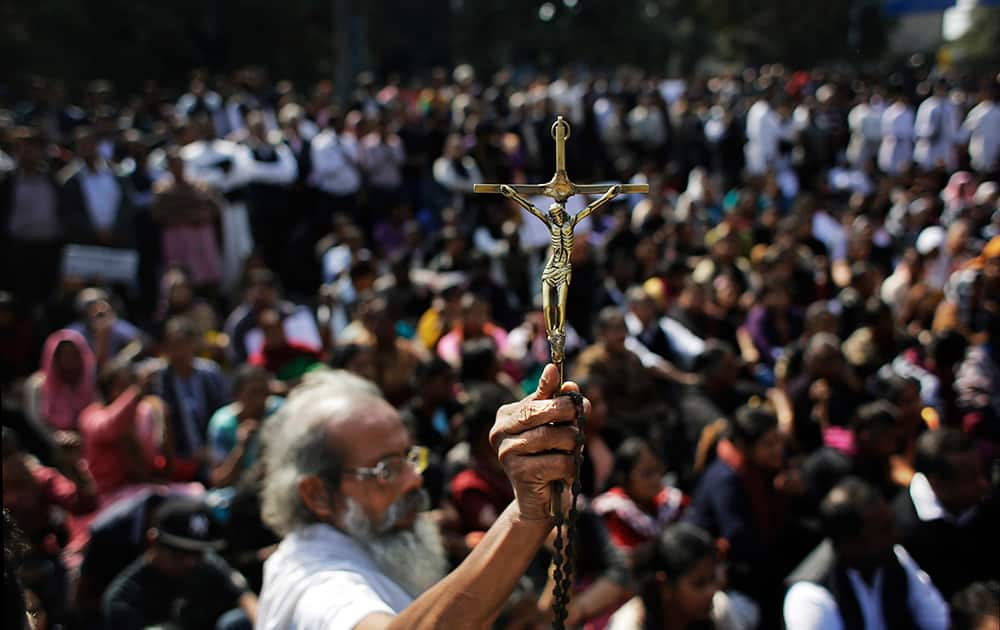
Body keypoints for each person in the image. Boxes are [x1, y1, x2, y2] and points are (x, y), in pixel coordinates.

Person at [256, 364, 588, 629]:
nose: (414, 479)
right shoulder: (316, 587)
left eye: (408, 457)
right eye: (386, 469)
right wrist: (527, 513)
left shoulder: (371, 541)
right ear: (317, 495)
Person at [783, 478, 949, 630]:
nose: (896, 536)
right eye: (883, 530)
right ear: (849, 544)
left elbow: (938, 622)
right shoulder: (809, 596)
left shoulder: (896, 558)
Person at [102, 496, 257, 630]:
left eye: (197, 553)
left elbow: (245, 597)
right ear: (152, 542)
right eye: (179, 553)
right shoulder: (124, 599)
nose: (190, 561)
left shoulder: (206, 563)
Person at [892, 429, 997, 599]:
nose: (984, 484)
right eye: (971, 477)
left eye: (982, 474)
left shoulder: (986, 505)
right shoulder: (903, 530)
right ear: (936, 483)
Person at [610, 522, 759, 630]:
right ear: (665, 585)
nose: (711, 591)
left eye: (712, 578)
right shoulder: (630, 623)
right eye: (698, 584)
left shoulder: (719, 609)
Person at [151, 317, 230, 482]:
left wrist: (211, 450)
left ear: (194, 344)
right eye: (173, 346)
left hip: (215, 455)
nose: (179, 352)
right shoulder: (158, 379)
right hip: (179, 462)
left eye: (183, 345)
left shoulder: (211, 374)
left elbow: (225, 412)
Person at [591, 438, 687, 552]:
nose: (656, 479)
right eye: (647, 473)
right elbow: (623, 559)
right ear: (624, 477)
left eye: (658, 470)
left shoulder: (673, 503)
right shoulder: (610, 511)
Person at [207, 365, 283, 489]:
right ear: (237, 395)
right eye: (253, 393)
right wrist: (240, 447)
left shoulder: (280, 412)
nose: (260, 400)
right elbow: (219, 480)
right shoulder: (223, 424)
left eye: (264, 392)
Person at [24, 329, 96, 433]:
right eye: (64, 355)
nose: (70, 360)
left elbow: (95, 418)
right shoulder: (37, 387)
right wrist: (56, 436)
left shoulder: (91, 382)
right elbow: (35, 427)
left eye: (74, 354)